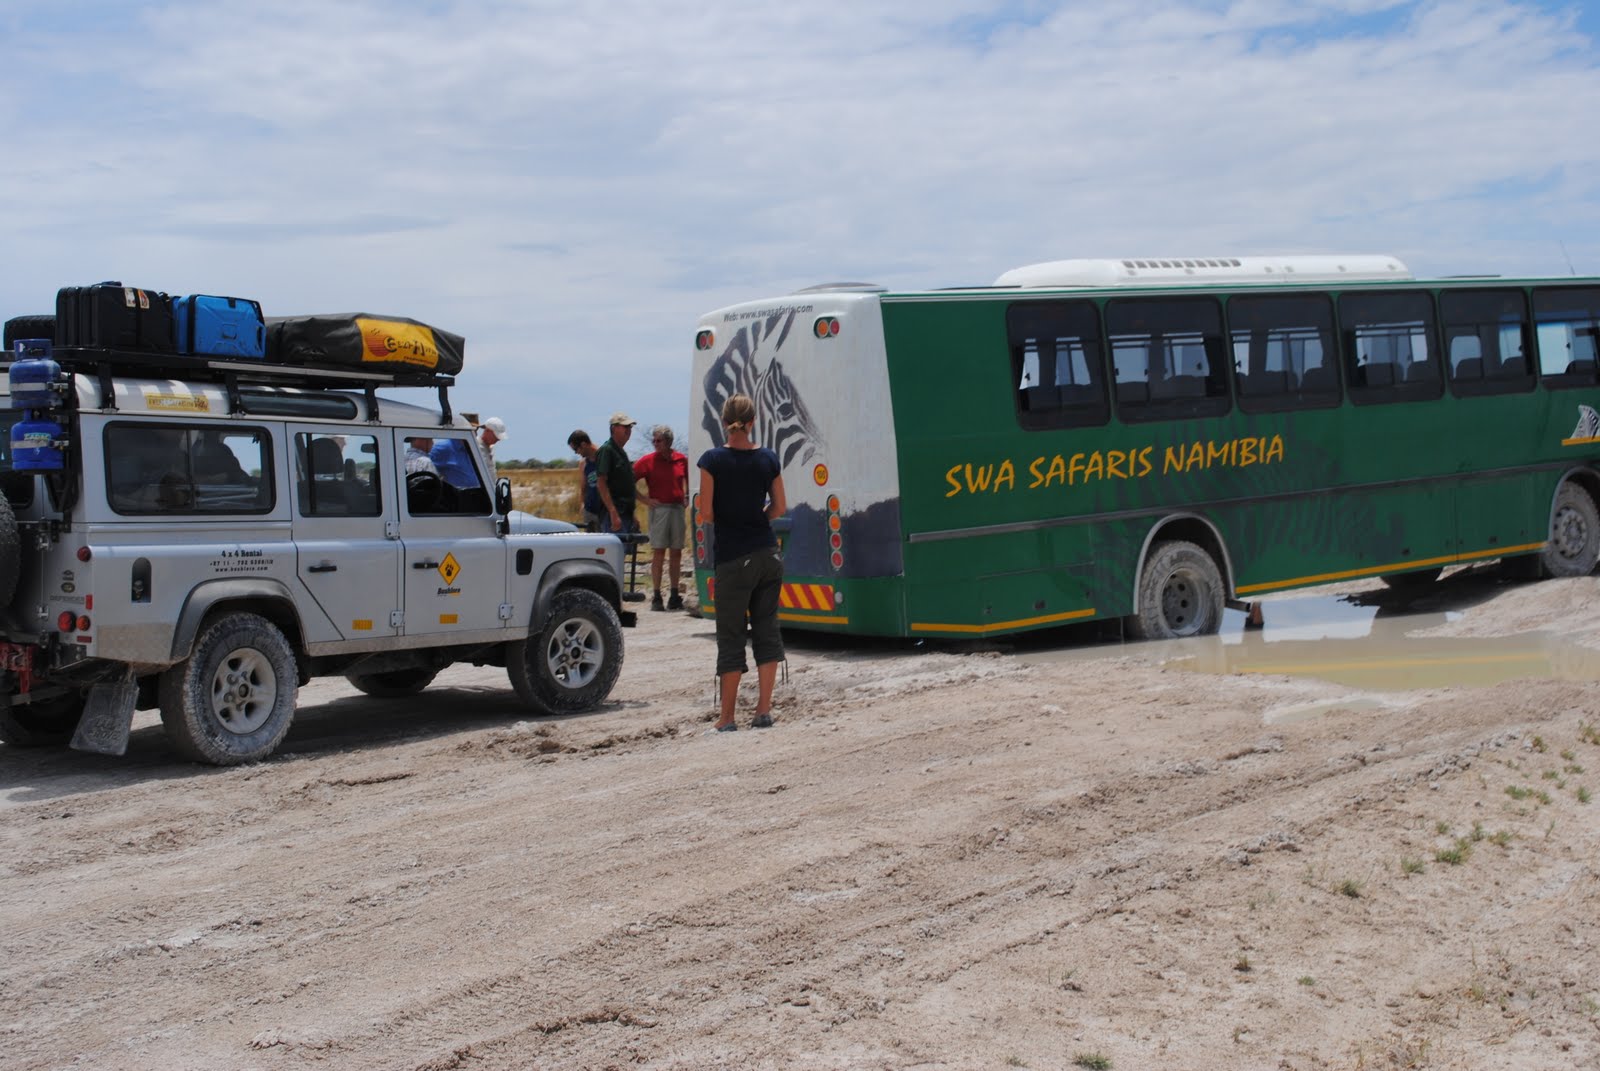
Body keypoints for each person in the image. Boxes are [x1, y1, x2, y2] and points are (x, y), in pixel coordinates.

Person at [697, 393, 786, 731]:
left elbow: (705, 513)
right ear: (753, 422)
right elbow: (779, 508)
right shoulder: (768, 458)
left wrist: (731, 518)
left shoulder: (712, 461)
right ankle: (763, 711)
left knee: (731, 636)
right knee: (767, 629)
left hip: (733, 558)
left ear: (724, 422)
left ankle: (727, 718)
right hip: (767, 553)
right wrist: (755, 517)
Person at [633, 424, 689, 611]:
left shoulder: (681, 459)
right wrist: (645, 500)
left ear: (669, 442)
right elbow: (628, 480)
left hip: (677, 509)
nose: (655, 444)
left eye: (659, 441)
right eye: (654, 440)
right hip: (659, 510)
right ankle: (656, 596)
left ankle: (674, 594)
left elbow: (689, 479)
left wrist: (687, 496)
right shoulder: (647, 461)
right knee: (658, 551)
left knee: (676, 551)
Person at [595, 411, 638, 534]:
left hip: (625, 513)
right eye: (625, 427)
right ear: (614, 428)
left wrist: (632, 515)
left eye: (630, 427)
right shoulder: (607, 450)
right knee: (614, 551)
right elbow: (601, 483)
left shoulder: (621, 452)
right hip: (614, 514)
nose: (629, 430)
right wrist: (613, 512)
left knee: (622, 551)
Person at [567, 429, 602, 531]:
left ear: (583, 444)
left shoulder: (604, 457)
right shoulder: (583, 464)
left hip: (605, 511)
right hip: (590, 511)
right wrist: (582, 503)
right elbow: (583, 487)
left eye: (576, 449)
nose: (576, 453)